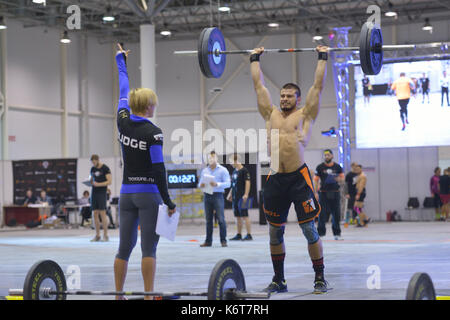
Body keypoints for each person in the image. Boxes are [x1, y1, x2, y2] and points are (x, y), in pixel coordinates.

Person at [250, 45, 328, 294]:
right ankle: (279, 280)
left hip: (298, 178)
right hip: (275, 178)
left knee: (309, 229)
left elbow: (318, 86)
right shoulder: (269, 113)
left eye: (289, 95)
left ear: (297, 98)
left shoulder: (306, 114)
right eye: (282, 95)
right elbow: (258, 85)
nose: (284, 98)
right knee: (275, 232)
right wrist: (254, 58)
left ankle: (319, 278)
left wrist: (322, 57)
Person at [113, 44, 176, 300]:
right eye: (153, 104)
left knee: (124, 248)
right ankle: (149, 296)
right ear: (149, 106)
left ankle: (118, 295)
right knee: (149, 249)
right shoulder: (154, 133)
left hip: (126, 194)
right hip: (149, 195)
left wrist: (121, 61)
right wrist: (169, 201)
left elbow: (123, 87)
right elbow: (159, 170)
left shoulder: (122, 119)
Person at [198, 151, 231, 247]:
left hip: (218, 195)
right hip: (207, 195)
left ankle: (223, 241)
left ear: (217, 159)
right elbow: (199, 184)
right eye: (210, 158)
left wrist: (218, 184)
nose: (211, 160)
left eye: (213, 158)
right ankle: (208, 241)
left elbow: (228, 183)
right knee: (208, 220)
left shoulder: (223, 170)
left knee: (221, 219)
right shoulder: (205, 170)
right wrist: (202, 185)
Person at [313, 150, 345, 240]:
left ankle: (337, 234)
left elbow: (342, 180)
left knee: (336, 214)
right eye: (325, 155)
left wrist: (337, 178)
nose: (326, 156)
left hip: (335, 192)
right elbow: (315, 180)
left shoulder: (338, 167)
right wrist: (315, 192)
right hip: (323, 193)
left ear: (332, 156)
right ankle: (321, 234)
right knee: (322, 214)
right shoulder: (320, 167)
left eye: (328, 155)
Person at [227, 154, 252, 241]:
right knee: (237, 216)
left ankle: (249, 234)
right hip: (235, 197)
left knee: (245, 215)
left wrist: (246, 194)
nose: (230, 163)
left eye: (231, 161)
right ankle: (239, 234)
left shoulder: (244, 170)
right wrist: (230, 194)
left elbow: (247, 182)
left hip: (243, 197)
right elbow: (233, 184)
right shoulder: (234, 171)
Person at [89, 154, 112, 242]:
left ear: (98, 160)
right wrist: (89, 181)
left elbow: (109, 181)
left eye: (94, 162)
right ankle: (97, 235)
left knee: (102, 213)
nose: (93, 164)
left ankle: (105, 235)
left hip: (102, 192)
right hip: (94, 192)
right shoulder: (92, 169)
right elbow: (91, 179)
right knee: (95, 213)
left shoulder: (105, 168)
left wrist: (99, 184)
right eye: (92, 162)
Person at [344, 162, 358, 227]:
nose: (356, 167)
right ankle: (347, 220)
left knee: (356, 207)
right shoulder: (349, 175)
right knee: (349, 207)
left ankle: (355, 219)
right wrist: (346, 193)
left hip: (356, 193)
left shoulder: (358, 174)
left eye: (356, 166)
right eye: (355, 166)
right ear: (352, 166)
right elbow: (345, 185)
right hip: (350, 193)